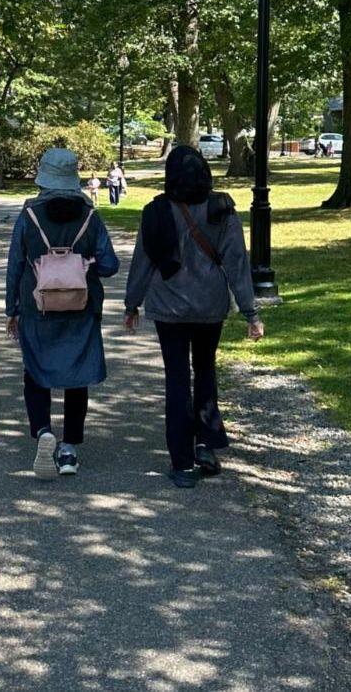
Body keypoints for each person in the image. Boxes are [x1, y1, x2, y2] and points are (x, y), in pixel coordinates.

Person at [123, 146, 265, 489]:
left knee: (176, 378)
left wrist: (132, 304)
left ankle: (182, 464)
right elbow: (236, 262)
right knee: (204, 370)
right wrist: (251, 312)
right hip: (209, 303)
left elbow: (144, 261)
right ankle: (205, 444)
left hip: (168, 305)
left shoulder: (156, 210)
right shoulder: (222, 208)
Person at [6, 148, 120, 479]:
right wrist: (85, 263)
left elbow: (15, 264)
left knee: (35, 370)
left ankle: (43, 431)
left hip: (36, 304)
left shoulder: (29, 215)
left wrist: (11, 308)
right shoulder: (90, 216)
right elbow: (110, 265)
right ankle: (69, 449)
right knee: (77, 376)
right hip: (81, 307)